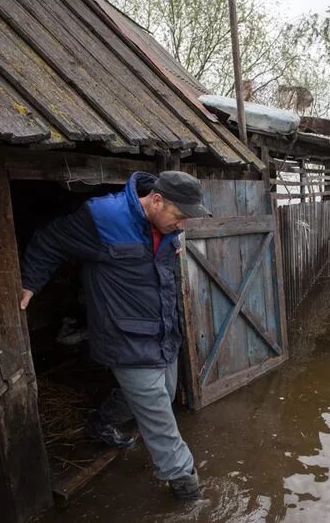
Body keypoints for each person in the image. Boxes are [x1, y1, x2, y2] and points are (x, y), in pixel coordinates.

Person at [19, 171, 211, 500]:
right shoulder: (102, 218)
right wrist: (29, 283)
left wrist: (173, 238)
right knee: (160, 420)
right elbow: (51, 239)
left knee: (161, 393)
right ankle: (186, 487)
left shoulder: (166, 227)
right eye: (179, 217)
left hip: (162, 332)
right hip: (125, 338)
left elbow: (161, 250)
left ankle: (99, 424)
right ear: (156, 200)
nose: (181, 225)